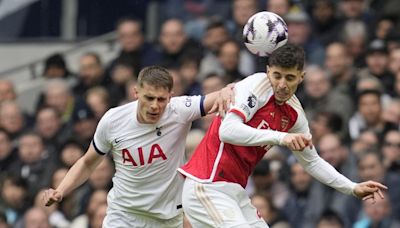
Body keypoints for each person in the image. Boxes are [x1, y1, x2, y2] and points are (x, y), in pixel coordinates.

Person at [178, 44, 387, 228]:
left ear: (301, 77)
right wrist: (280, 137)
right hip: (206, 185)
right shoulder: (257, 85)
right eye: (276, 76)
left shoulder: (295, 115)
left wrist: (352, 187)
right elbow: (228, 131)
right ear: (268, 71)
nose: (281, 84)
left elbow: (312, 162)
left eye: (290, 78)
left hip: (234, 192)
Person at [43, 66, 233, 227]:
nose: (154, 106)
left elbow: (231, 93)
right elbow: (87, 163)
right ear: (136, 93)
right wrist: (61, 190)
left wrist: (228, 90)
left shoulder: (179, 110)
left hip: (166, 219)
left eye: (161, 99)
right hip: (123, 215)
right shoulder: (112, 120)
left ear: (170, 96)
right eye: (148, 98)